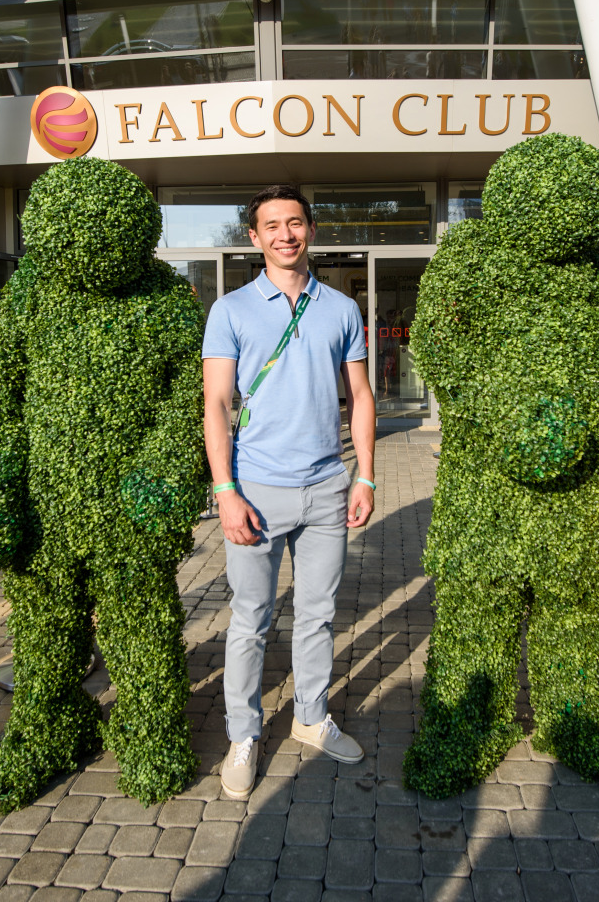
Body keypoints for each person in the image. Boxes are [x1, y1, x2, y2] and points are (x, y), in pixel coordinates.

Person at [202, 185, 377, 799]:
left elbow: (360, 396)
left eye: (295, 222)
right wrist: (225, 490)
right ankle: (244, 735)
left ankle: (309, 717)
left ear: (310, 230)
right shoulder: (230, 310)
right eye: (271, 225)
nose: (285, 234)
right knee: (250, 620)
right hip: (255, 489)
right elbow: (216, 405)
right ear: (253, 237)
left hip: (328, 486)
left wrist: (366, 474)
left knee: (318, 615)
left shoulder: (341, 308)